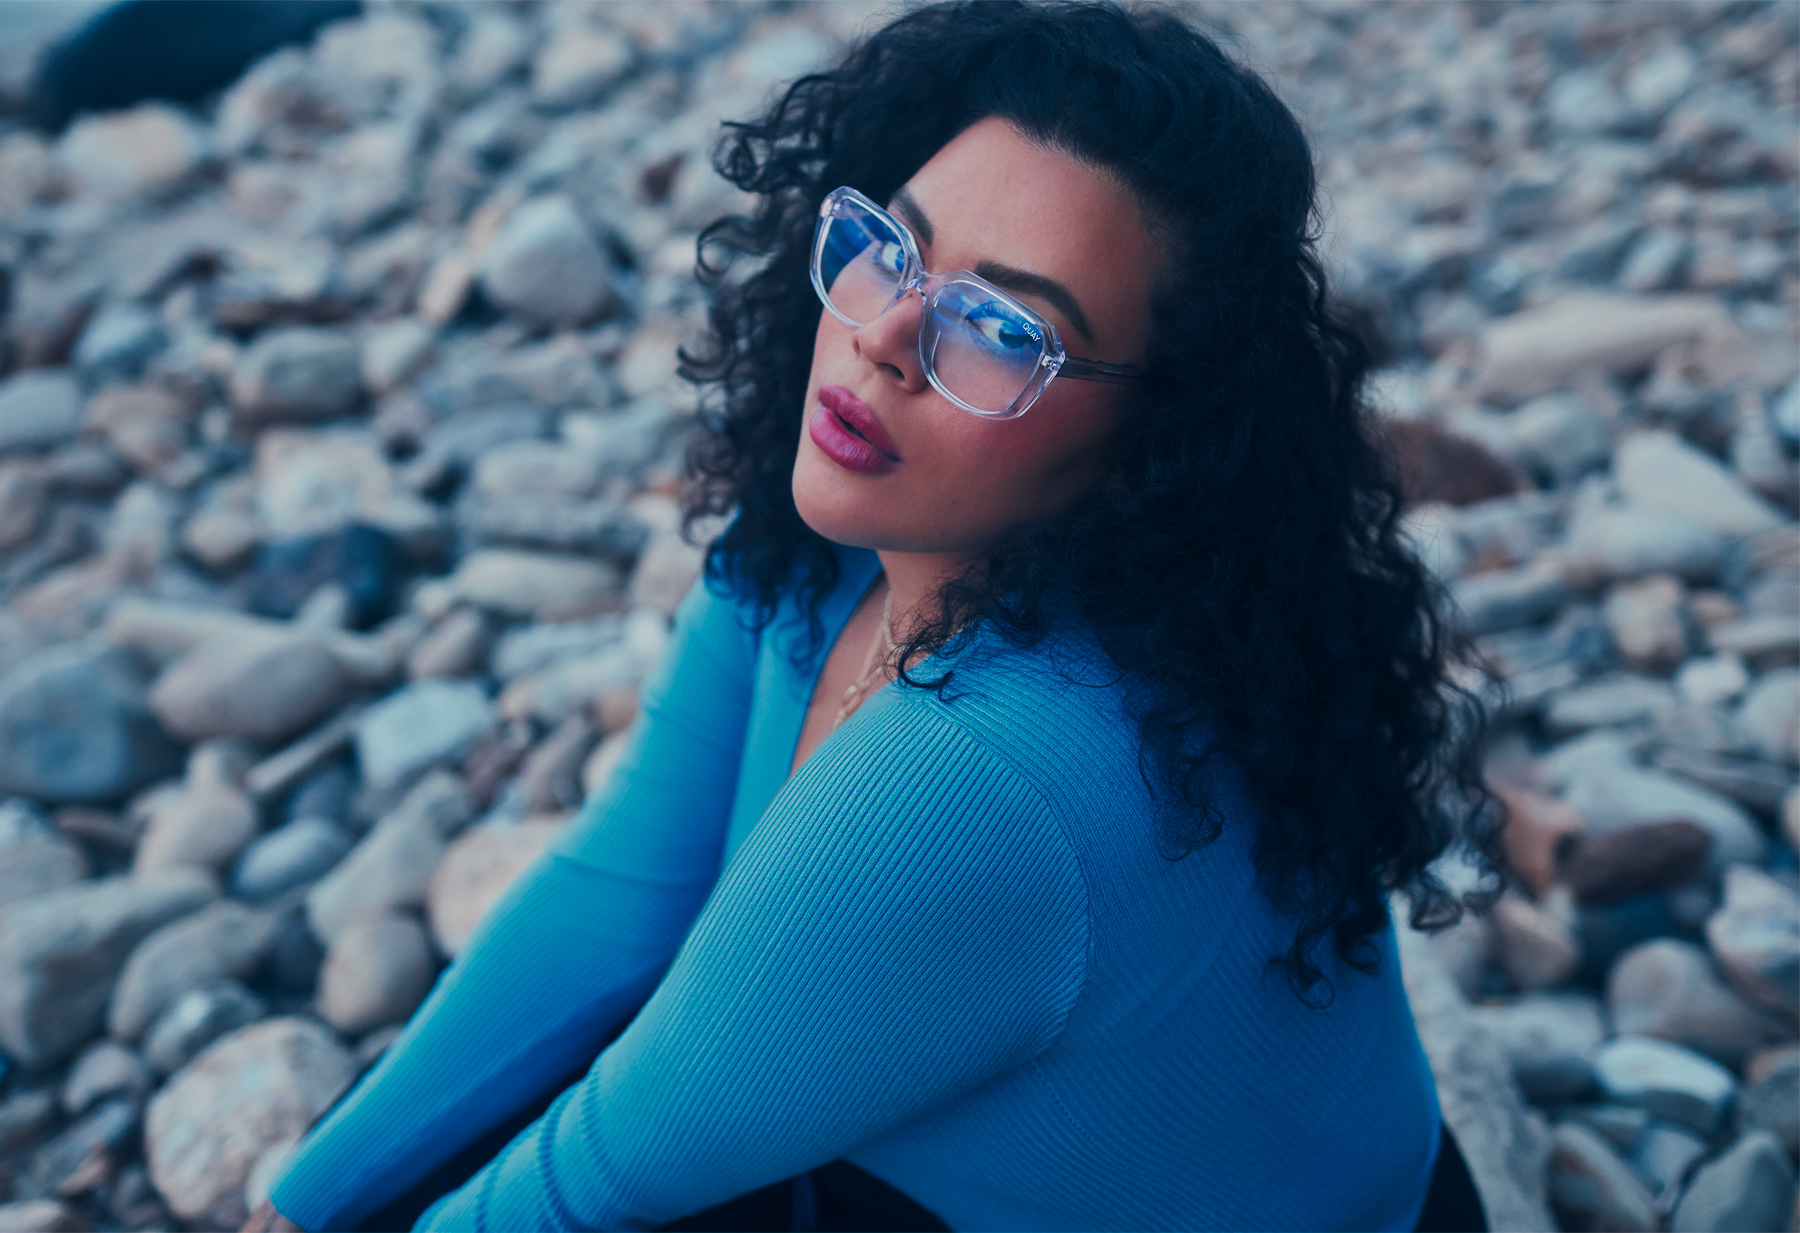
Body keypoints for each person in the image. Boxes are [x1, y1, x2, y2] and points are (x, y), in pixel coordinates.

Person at [249, 2, 1502, 1229]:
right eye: (893, 248)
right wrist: (306, 1200)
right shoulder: (827, 551)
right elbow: (615, 898)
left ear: (1151, 440)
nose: (887, 336)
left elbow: (597, 1180)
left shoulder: (993, 773)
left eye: (1002, 328)